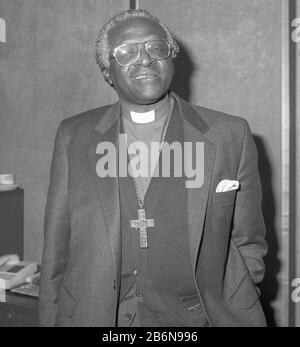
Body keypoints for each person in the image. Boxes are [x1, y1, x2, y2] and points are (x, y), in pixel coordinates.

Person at [39, 9, 268, 327]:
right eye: (127, 52)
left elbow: (249, 239)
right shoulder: (72, 136)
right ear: (108, 72)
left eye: (156, 47)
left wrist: (234, 299)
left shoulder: (230, 134)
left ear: (172, 58)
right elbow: (56, 250)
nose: (145, 59)